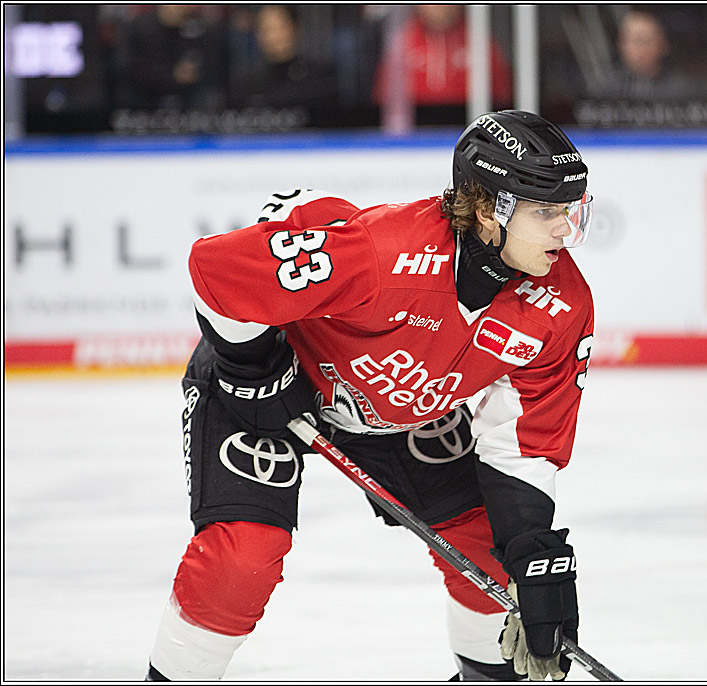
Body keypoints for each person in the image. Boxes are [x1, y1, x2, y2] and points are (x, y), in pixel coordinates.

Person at [144, 110, 594, 682]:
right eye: (545, 212)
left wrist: (531, 551)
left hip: (401, 411)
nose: (565, 230)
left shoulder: (562, 306)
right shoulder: (384, 252)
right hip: (275, 386)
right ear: (487, 209)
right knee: (242, 557)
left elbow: (523, 442)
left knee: (487, 547)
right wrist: (252, 368)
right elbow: (217, 270)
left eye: (571, 210)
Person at [372, 5, 514, 126]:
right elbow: (382, 98)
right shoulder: (402, 43)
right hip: (413, 133)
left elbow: (502, 99)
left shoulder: (479, 43)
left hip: (469, 127)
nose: (440, 6)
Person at [229, 5, 338, 128]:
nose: (271, 36)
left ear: (295, 27)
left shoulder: (318, 77)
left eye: (277, 28)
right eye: (264, 29)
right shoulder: (245, 81)